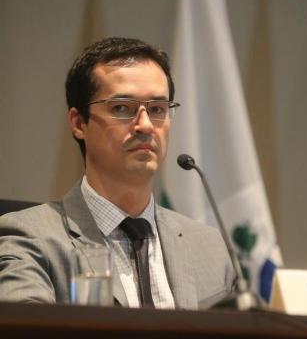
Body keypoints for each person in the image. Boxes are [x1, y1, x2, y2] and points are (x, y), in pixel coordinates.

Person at [0, 37, 235, 309]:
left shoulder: (210, 248)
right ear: (79, 123)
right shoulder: (28, 237)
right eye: (122, 108)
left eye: (158, 109)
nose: (145, 125)